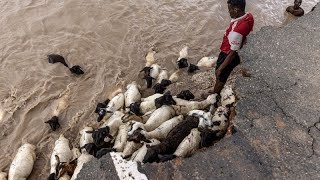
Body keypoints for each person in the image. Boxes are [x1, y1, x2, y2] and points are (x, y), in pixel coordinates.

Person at [209, 0, 254, 96]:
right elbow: (246, 34)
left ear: (236, 9)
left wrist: (220, 69)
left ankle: (215, 95)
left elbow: (232, 53)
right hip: (238, 48)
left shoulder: (237, 31)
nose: (229, 12)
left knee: (221, 76)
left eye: (230, 10)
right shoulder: (249, 16)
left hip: (228, 53)